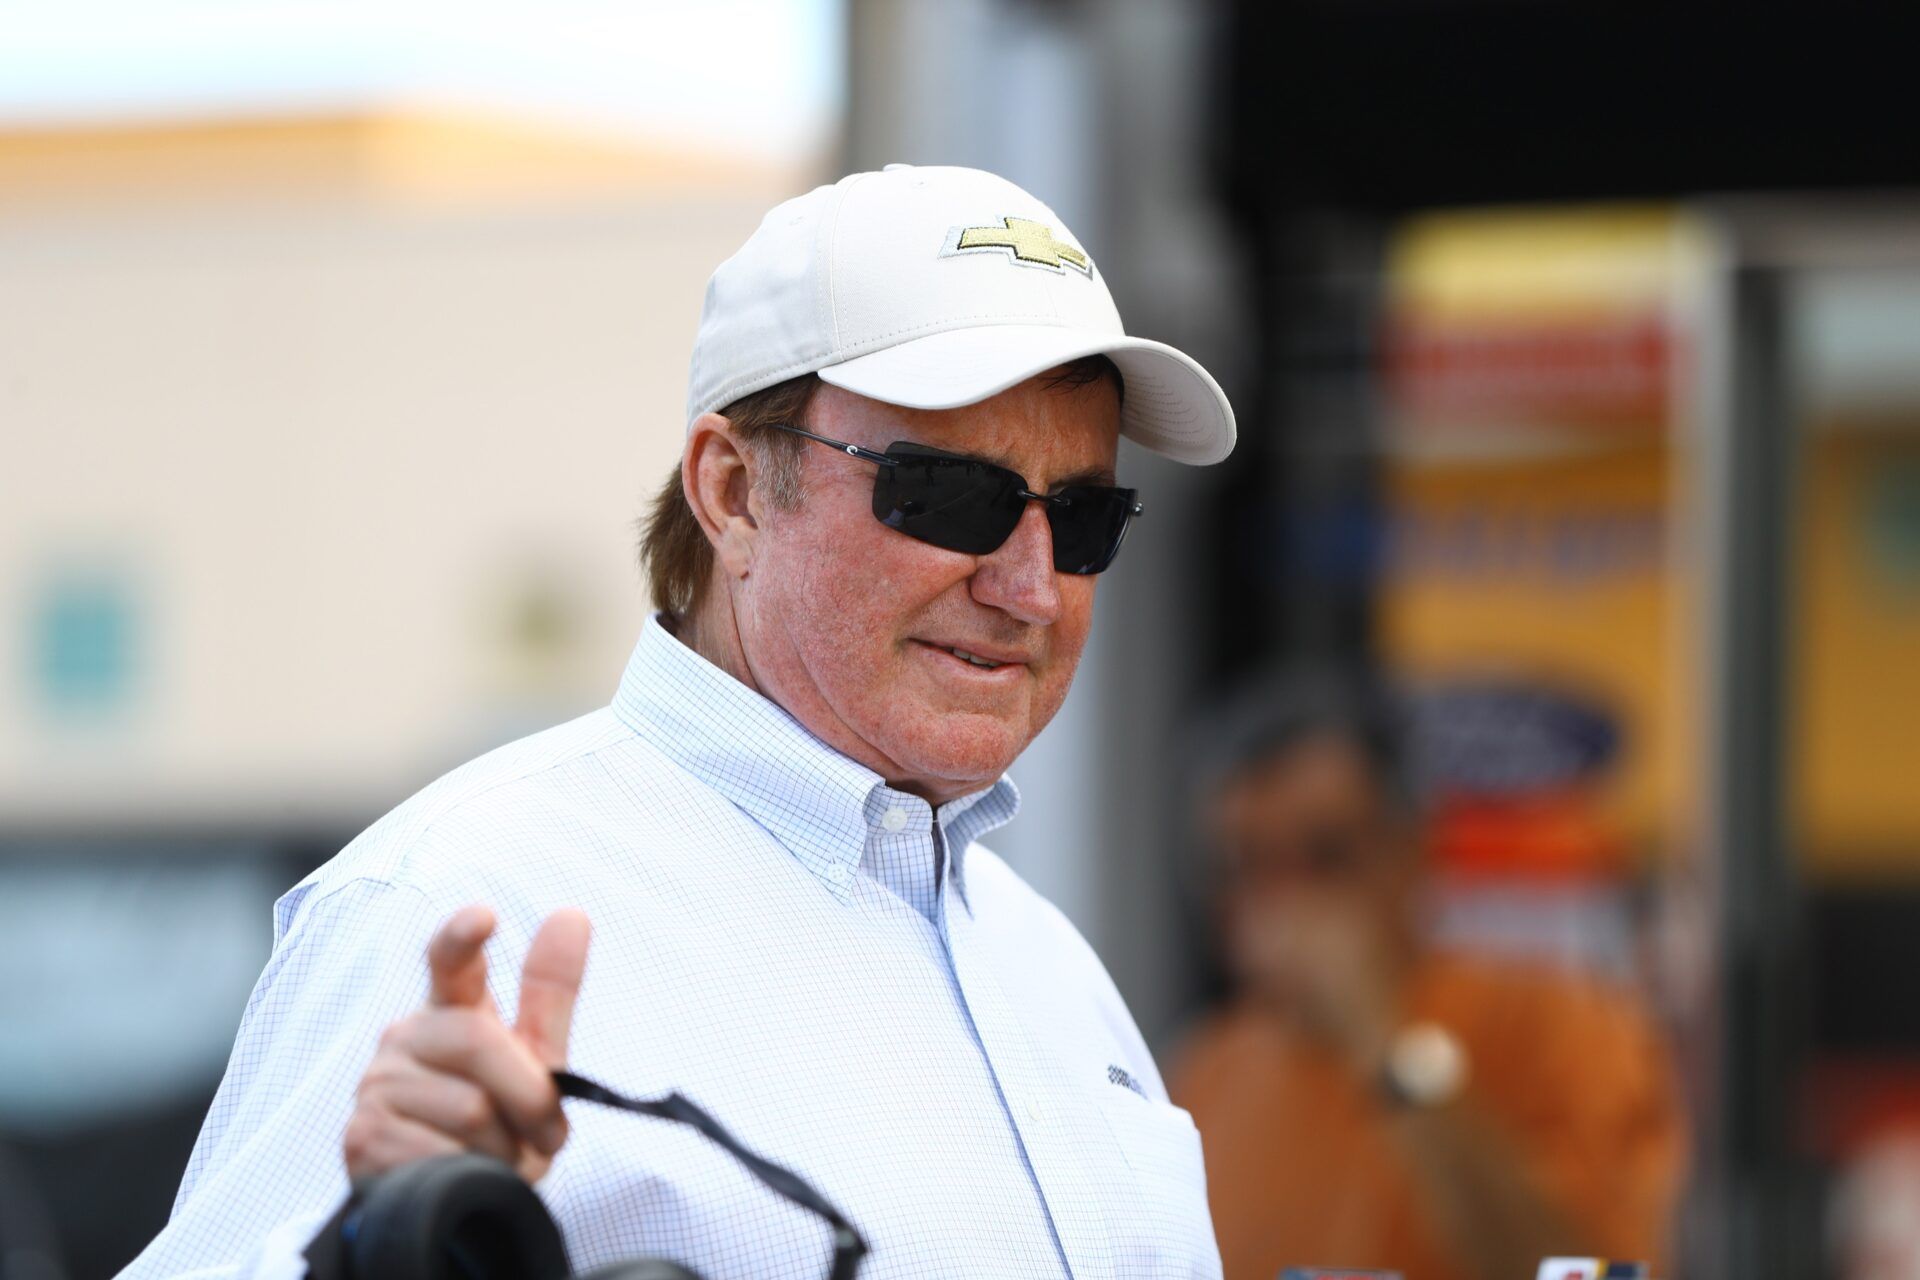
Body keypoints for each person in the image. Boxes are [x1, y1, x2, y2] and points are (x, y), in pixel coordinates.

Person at [121, 164, 1236, 1280]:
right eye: (953, 496)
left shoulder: (1047, 962)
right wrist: (360, 1254)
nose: (1032, 587)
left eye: (1084, 517)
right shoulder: (455, 909)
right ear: (733, 493)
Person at [1167, 671, 1686, 1280]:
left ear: (1409, 853)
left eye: (1326, 857)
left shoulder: (1556, 1022)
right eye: (1247, 866)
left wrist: (1385, 1041)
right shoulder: (1206, 1077)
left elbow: (1590, 1267)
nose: (1285, 905)